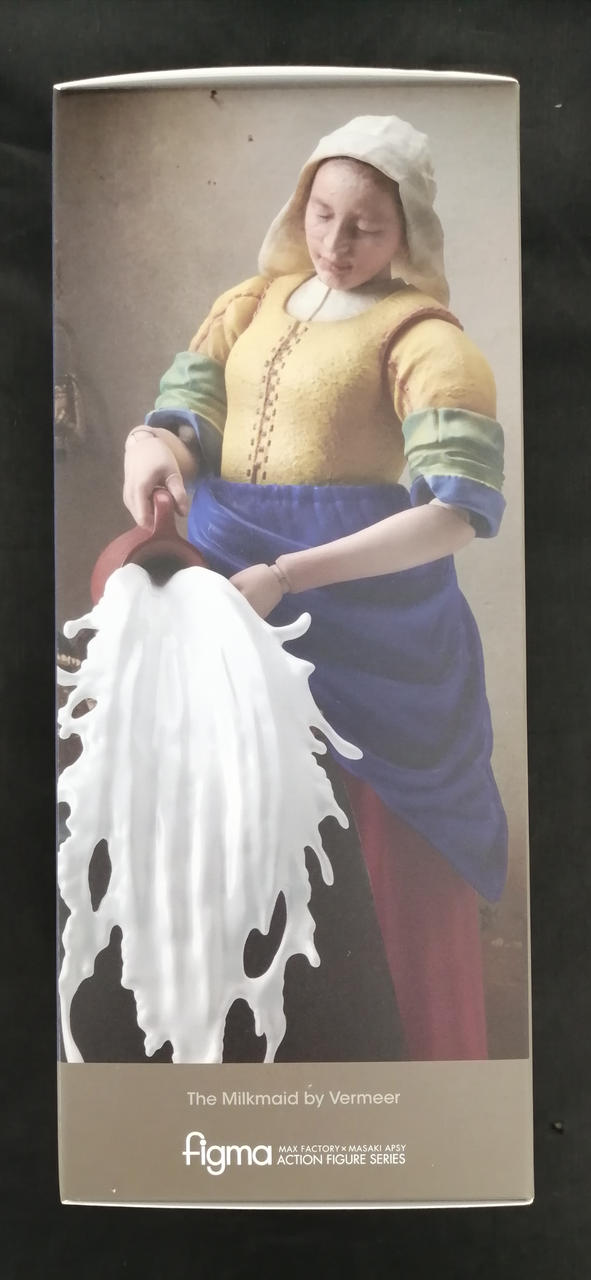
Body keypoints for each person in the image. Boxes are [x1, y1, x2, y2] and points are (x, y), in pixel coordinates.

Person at [123, 115, 507, 1061]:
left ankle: (388, 1066)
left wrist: (291, 573)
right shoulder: (250, 302)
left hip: (366, 630)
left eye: (366, 226)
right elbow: (187, 416)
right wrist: (152, 444)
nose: (336, 243)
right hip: (226, 601)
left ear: (407, 230)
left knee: (364, 860)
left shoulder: (426, 339)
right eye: (322, 215)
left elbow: (457, 512)